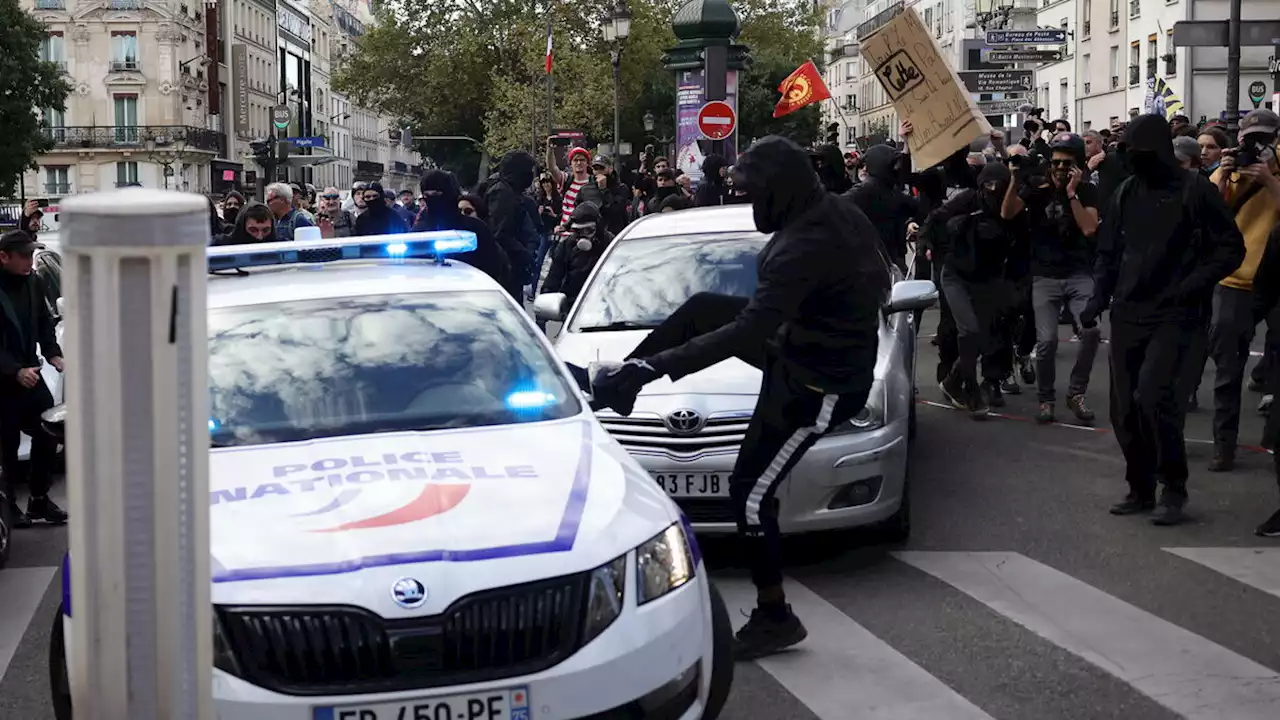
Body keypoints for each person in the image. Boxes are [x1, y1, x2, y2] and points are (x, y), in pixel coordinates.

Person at [586, 136, 889, 659]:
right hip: (798, 352)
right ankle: (618, 383)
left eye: (753, 194)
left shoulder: (801, 247)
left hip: (817, 385)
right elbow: (875, 284)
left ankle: (775, 615)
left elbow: (747, 333)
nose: (750, 206)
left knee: (748, 493)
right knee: (704, 306)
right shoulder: (832, 212)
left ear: (778, 190)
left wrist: (655, 368)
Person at [1082, 113, 1244, 526]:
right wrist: (1098, 295)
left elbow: (1230, 249)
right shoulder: (1125, 193)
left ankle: (1173, 487)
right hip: (1129, 310)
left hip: (1177, 312)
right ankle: (1140, 487)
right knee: (1125, 410)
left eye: (1139, 155)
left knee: (1155, 398)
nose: (1132, 161)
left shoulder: (1196, 191)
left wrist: (1193, 284)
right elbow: (1108, 252)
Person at [1001, 132, 1102, 425]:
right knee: (1045, 343)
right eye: (1056, 162)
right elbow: (1008, 213)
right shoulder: (1036, 185)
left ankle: (1076, 393)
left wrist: (1071, 192)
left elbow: (1089, 229)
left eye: (1066, 163)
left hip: (1078, 273)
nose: (1059, 168)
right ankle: (1046, 399)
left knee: (1091, 332)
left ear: (1078, 165)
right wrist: (1014, 179)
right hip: (1044, 276)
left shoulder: (1087, 190)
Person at [1203, 109, 1280, 471]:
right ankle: (1224, 444)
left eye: (1265, 139)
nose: (1258, 147)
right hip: (1236, 280)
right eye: (1251, 139)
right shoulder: (1230, 167)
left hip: (1275, 280)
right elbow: (1208, 213)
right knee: (1227, 369)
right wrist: (1225, 172)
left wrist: (1270, 181)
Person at [928, 163, 1018, 417]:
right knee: (968, 330)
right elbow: (936, 217)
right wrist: (928, 239)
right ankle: (970, 389)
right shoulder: (968, 199)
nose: (992, 190)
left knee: (984, 336)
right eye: (987, 185)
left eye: (998, 186)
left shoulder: (1012, 208)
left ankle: (953, 381)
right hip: (956, 274)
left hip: (989, 277)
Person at [0, 230, 68, 527]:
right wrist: (13, 370)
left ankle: (38, 499)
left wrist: (53, 353)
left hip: (30, 373)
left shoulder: (33, 281)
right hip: (3, 381)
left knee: (48, 430)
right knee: (7, 445)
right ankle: (8, 506)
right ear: (4, 257)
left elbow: (44, 322)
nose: (30, 261)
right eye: (24, 255)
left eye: (31, 255)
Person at [413, 170, 506, 284]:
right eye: (427, 195)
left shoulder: (475, 230)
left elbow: (492, 269)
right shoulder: (419, 233)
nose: (432, 200)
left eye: (437, 194)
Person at [542, 202, 612, 305]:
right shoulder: (567, 246)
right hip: (574, 306)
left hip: (602, 306)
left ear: (598, 228)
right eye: (578, 231)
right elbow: (554, 276)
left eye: (588, 230)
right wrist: (545, 303)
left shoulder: (610, 245)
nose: (582, 236)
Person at [211, 202, 276, 246]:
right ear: (242, 227)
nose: (260, 236)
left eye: (265, 230)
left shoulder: (282, 245)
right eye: (253, 230)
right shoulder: (219, 245)